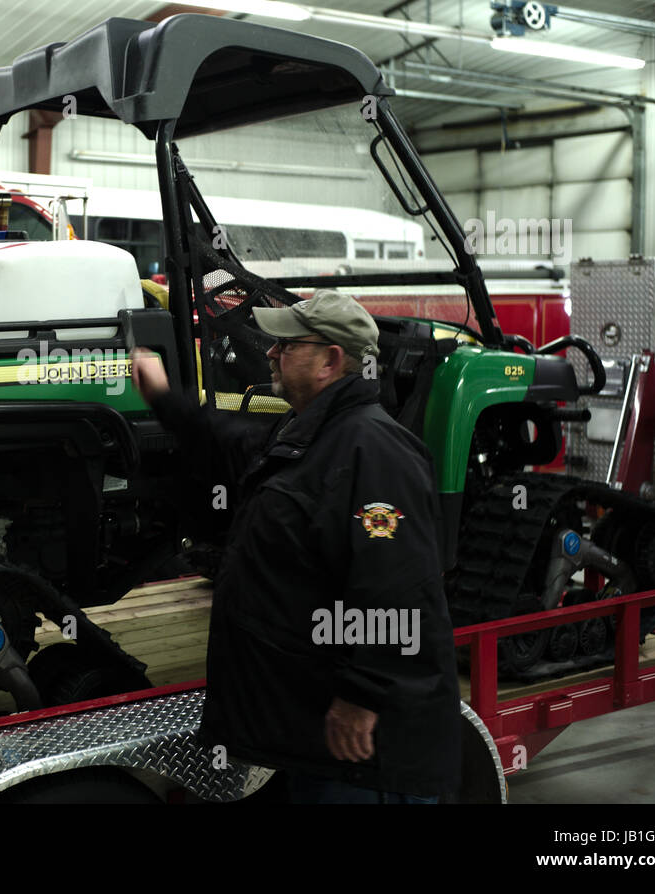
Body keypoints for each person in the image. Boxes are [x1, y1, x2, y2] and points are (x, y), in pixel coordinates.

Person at [130, 289, 461, 803]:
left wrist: (361, 696)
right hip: (312, 734)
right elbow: (226, 438)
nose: (270, 352)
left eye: (287, 343)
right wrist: (163, 398)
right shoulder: (305, 432)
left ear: (330, 359)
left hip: (365, 758)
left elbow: (399, 586)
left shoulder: (374, 451)